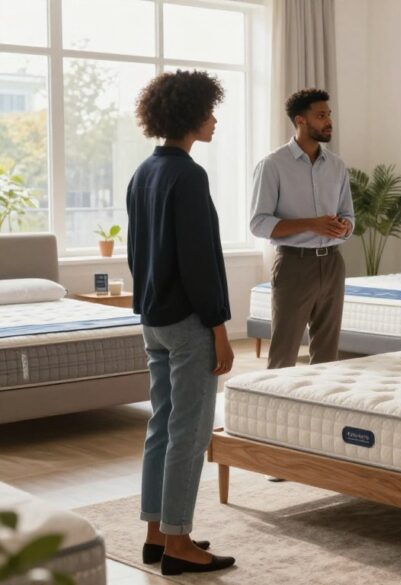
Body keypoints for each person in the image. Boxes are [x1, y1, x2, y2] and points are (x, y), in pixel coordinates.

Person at [127, 69, 235, 575]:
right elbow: (200, 261)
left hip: (153, 319)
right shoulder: (189, 176)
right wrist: (218, 329)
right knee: (190, 434)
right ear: (192, 115)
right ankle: (179, 543)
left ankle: (156, 532)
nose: (214, 120)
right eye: (210, 111)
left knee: (161, 427)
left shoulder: (143, 173)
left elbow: (136, 254)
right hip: (190, 323)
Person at [250, 88, 354, 369]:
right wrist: (312, 223)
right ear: (300, 121)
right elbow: (259, 223)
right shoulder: (273, 165)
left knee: (327, 353)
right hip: (294, 264)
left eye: (329, 115)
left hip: (333, 263)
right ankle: (274, 410)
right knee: (284, 352)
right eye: (321, 116)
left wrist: (343, 227)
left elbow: (349, 216)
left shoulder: (337, 165)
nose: (328, 121)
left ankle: (320, 410)